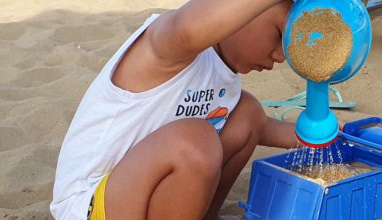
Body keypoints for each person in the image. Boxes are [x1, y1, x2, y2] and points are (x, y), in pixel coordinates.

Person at [50, 0, 298, 219]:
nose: (280, 56)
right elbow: (187, 29)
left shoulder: (224, 77)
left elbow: (262, 128)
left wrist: (326, 137)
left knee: (248, 114)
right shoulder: (167, 49)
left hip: (140, 194)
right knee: (194, 141)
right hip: (92, 206)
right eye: (279, 35)